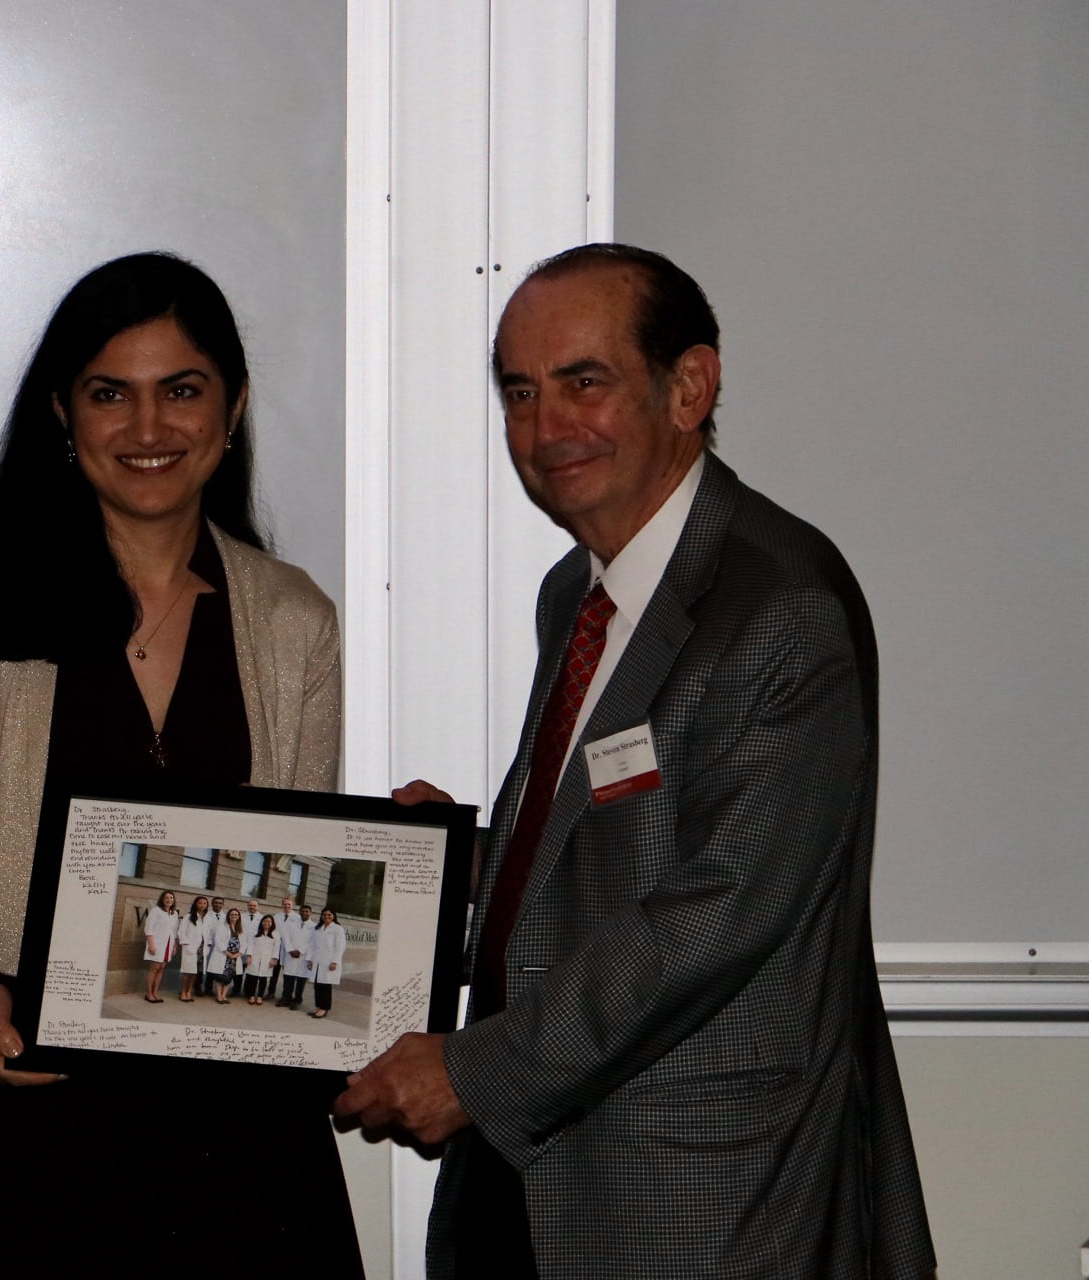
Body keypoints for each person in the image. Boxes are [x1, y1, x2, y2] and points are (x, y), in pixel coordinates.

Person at [334, 244, 935, 1278]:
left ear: (689, 385)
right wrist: (474, 860)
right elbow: (632, 840)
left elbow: (717, 914)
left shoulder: (780, 607)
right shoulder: (579, 591)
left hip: (701, 1198)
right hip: (532, 1176)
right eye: (520, 392)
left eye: (583, 382)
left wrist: (474, 1072)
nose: (545, 427)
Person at [0, 251, 361, 1274]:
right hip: (17, 1106)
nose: (149, 430)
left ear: (230, 408)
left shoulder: (295, 622)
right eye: (112, 394)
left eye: (181, 391)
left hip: (232, 1139)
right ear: (64, 412)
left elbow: (292, 904)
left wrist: (375, 878)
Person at [307, 907, 346, 1019]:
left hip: (328, 961)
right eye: (324, 915)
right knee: (317, 985)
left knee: (325, 985)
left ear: (333, 916)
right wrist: (310, 960)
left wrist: (334, 961)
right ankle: (318, 1006)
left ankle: (324, 1008)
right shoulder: (317, 928)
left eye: (329, 915)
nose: (327, 917)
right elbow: (312, 945)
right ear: (321, 916)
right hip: (317, 960)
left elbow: (340, 947)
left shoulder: (338, 929)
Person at [144, 889, 181, 1002]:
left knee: (161, 968)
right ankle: (148, 993)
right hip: (157, 944)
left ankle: (155, 993)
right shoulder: (156, 911)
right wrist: (151, 945)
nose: (169, 900)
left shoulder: (174, 914)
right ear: (162, 899)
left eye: (171, 898)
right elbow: (148, 928)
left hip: (168, 945)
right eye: (166, 898)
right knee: (154, 968)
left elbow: (174, 931)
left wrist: (174, 945)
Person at [277, 903, 314, 1009]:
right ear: (299, 912)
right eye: (302, 911)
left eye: (307, 911)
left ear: (310, 913)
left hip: (303, 957)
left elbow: (312, 942)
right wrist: (291, 950)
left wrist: (300, 951)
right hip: (290, 954)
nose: (304, 913)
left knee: (301, 980)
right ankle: (286, 998)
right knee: (288, 977)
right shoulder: (291, 923)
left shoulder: (314, 926)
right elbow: (286, 937)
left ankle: (297, 1000)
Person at [178, 894, 213, 1002]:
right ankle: (183, 992)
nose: (202, 905)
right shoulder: (189, 916)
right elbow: (181, 932)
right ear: (195, 904)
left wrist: (209, 944)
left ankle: (189, 992)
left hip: (202, 949)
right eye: (200, 903)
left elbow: (209, 933)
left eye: (205, 903)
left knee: (195, 972)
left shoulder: (207, 918)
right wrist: (186, 945)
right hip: (191, 948)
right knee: (187, 972)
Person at [208, 906, 245, 1004]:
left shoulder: (240, 928)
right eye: (232, 914)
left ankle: (224, 995)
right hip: (223, 955)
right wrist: (226, 952)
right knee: (220, 977)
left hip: (235, 957)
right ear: (228, 916)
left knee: (229, 977)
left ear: (239, 917)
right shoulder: (222, 926)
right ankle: (219, 996)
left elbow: (244, 943)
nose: (234, 916)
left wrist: (238, 953)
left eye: (236, 915)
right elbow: (218, 939)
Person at [266, 894, 297, 1000]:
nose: (287, 906)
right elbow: (273, 931)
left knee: (288, 974)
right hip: (277, 948)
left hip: (290, 950)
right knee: (274, 972)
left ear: (293, 905)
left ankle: (286, 995)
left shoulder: (297, 918)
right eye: (285, 904)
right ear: (282, 905)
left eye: (289, 904)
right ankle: (271, 992)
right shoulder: (276, 916)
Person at [244, 914, 279, 1005]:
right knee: (253, 977)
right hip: (254, 957)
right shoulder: (255, 931)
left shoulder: (275, 933)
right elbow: (250, 944)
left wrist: (274, 959)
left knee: (263, 978)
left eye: (269, 921)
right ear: (261, 922)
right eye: (265, 921)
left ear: (272, 923)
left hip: (267, 959)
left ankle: (259, 996)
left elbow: (276, 947)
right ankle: (251, 996)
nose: (266, 923)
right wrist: (249, 955)